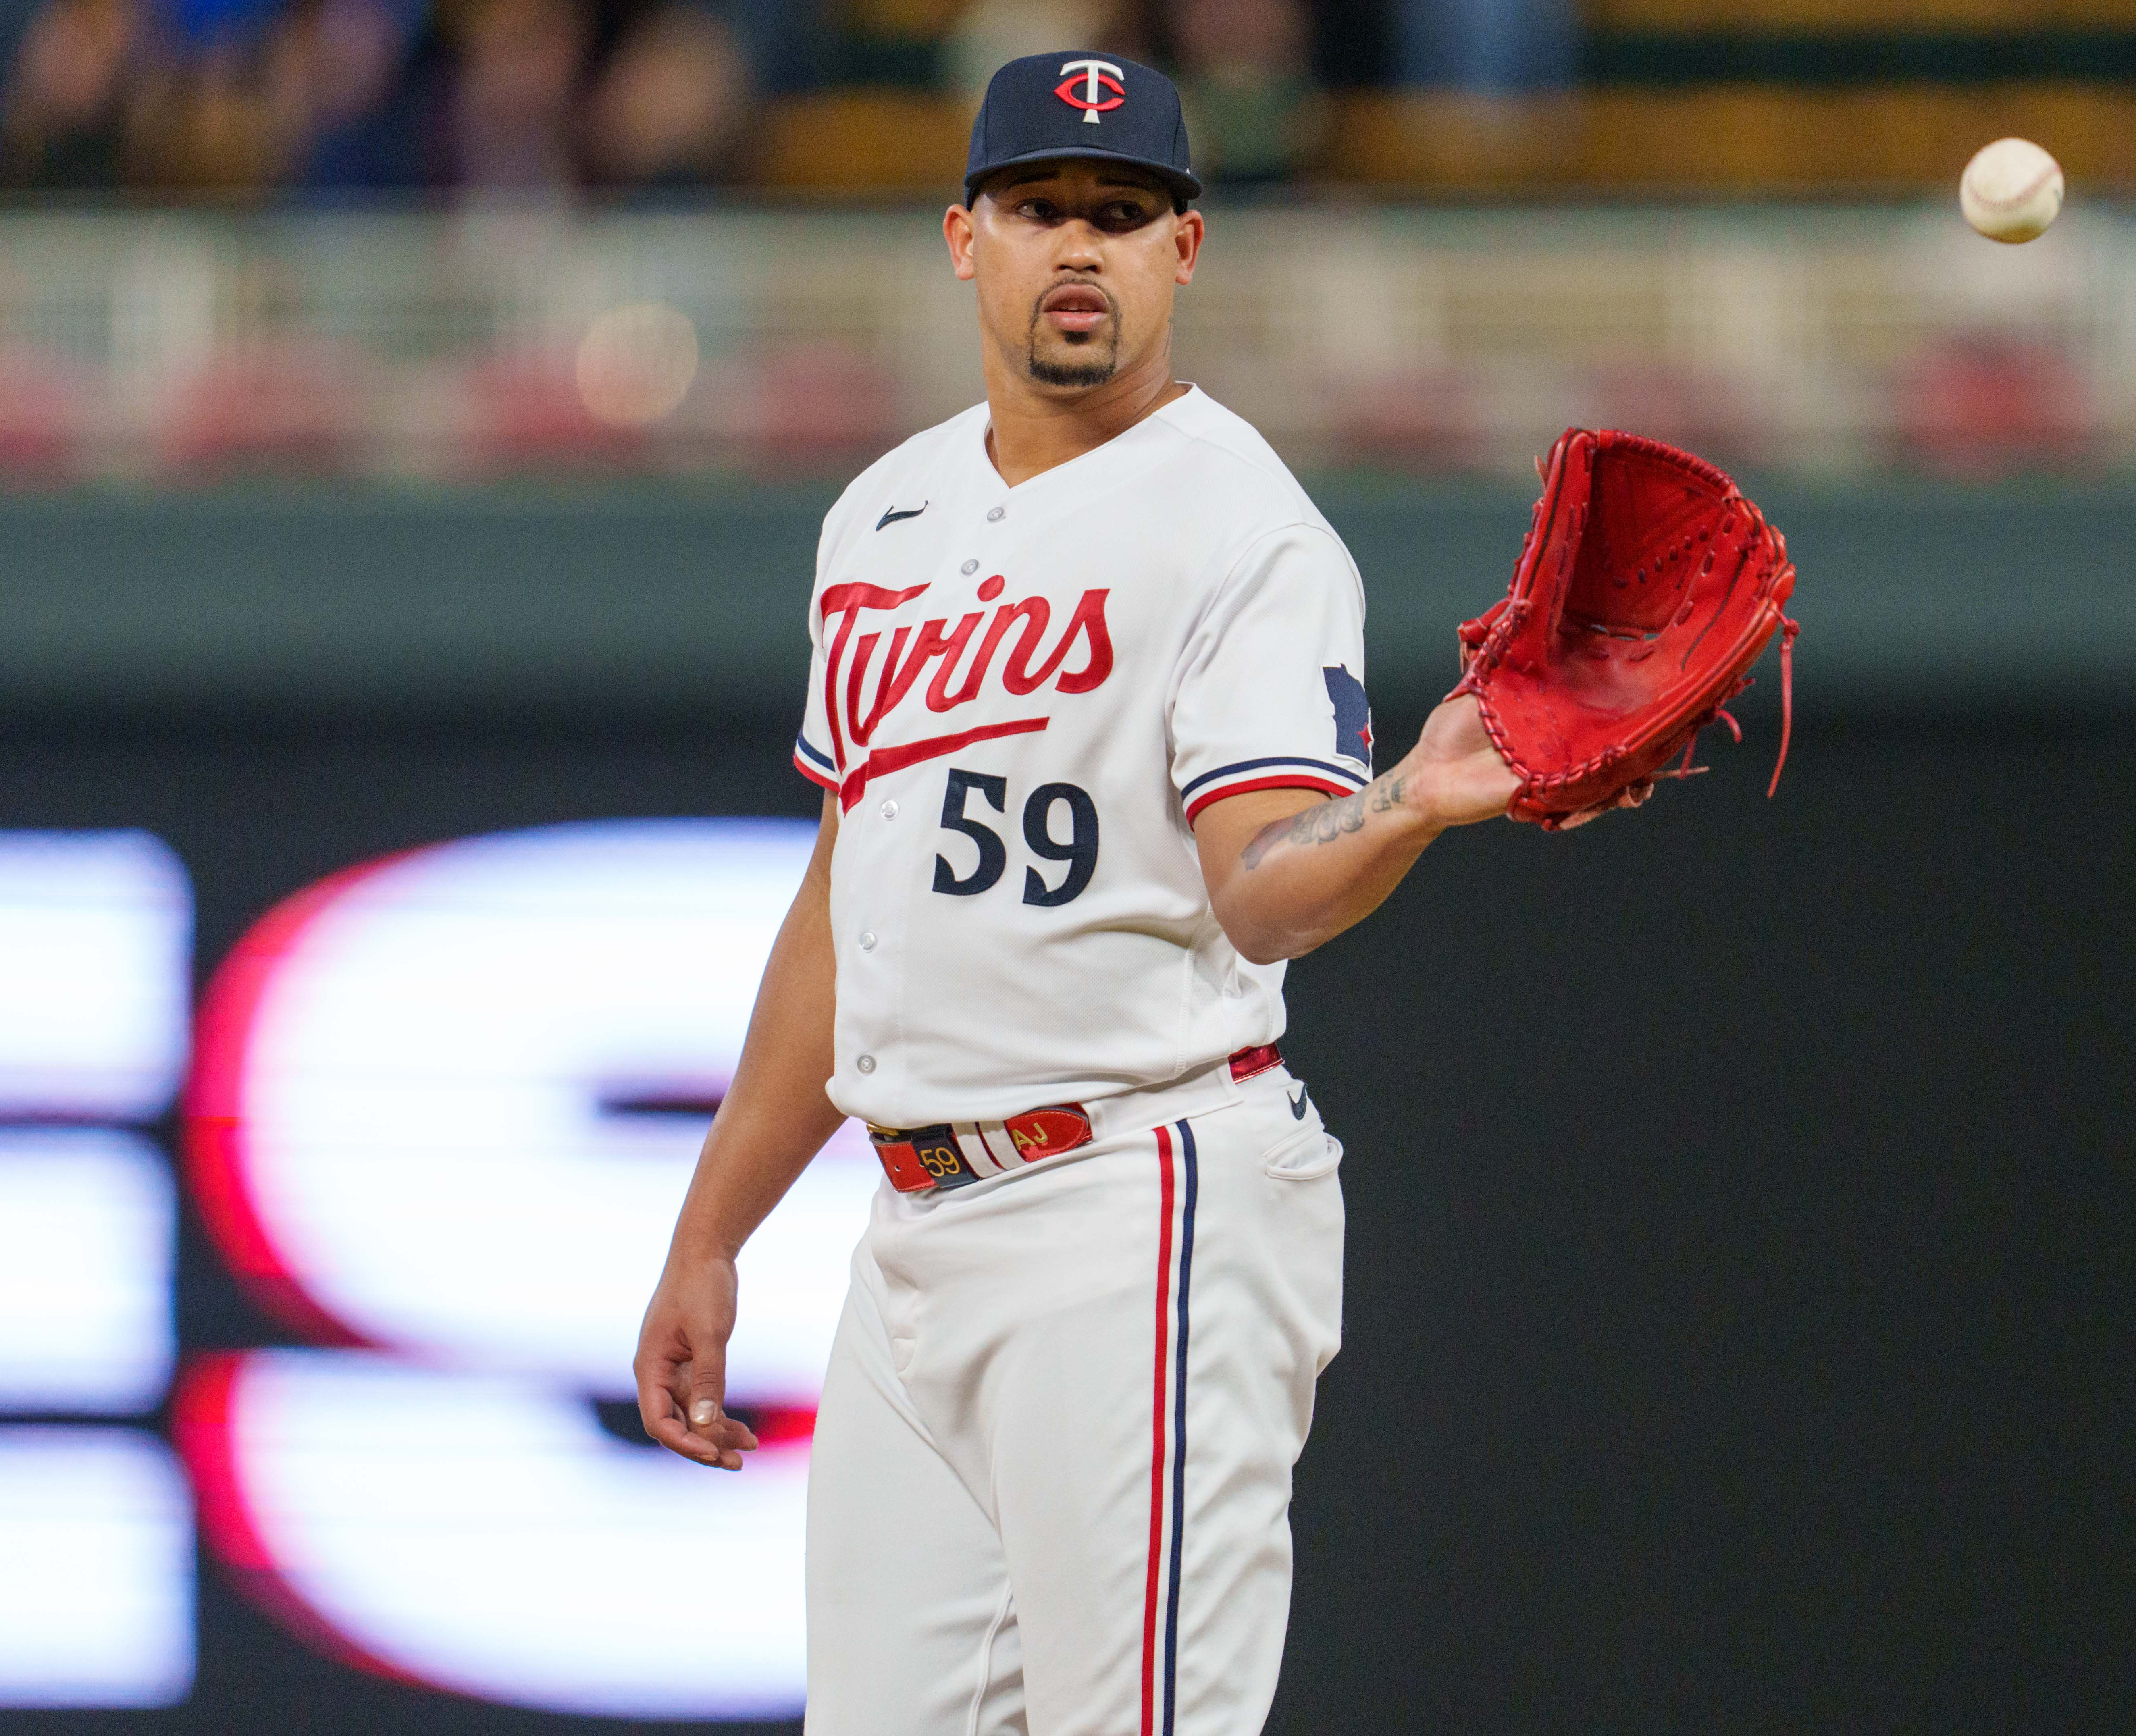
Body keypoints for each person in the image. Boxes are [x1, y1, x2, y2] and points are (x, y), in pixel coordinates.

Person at [634, 50, 1646, 1736]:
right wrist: (712, 1226)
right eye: (1041, 208)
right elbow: (852, 896)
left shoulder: (1242, 527)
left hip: (1134, 1200)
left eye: (1124, 212)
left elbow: (1259, 892)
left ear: (1189, 252)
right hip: (912, 1236)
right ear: (965, 238)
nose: (1079, 246)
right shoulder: (879, 516)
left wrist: (1406, 804)